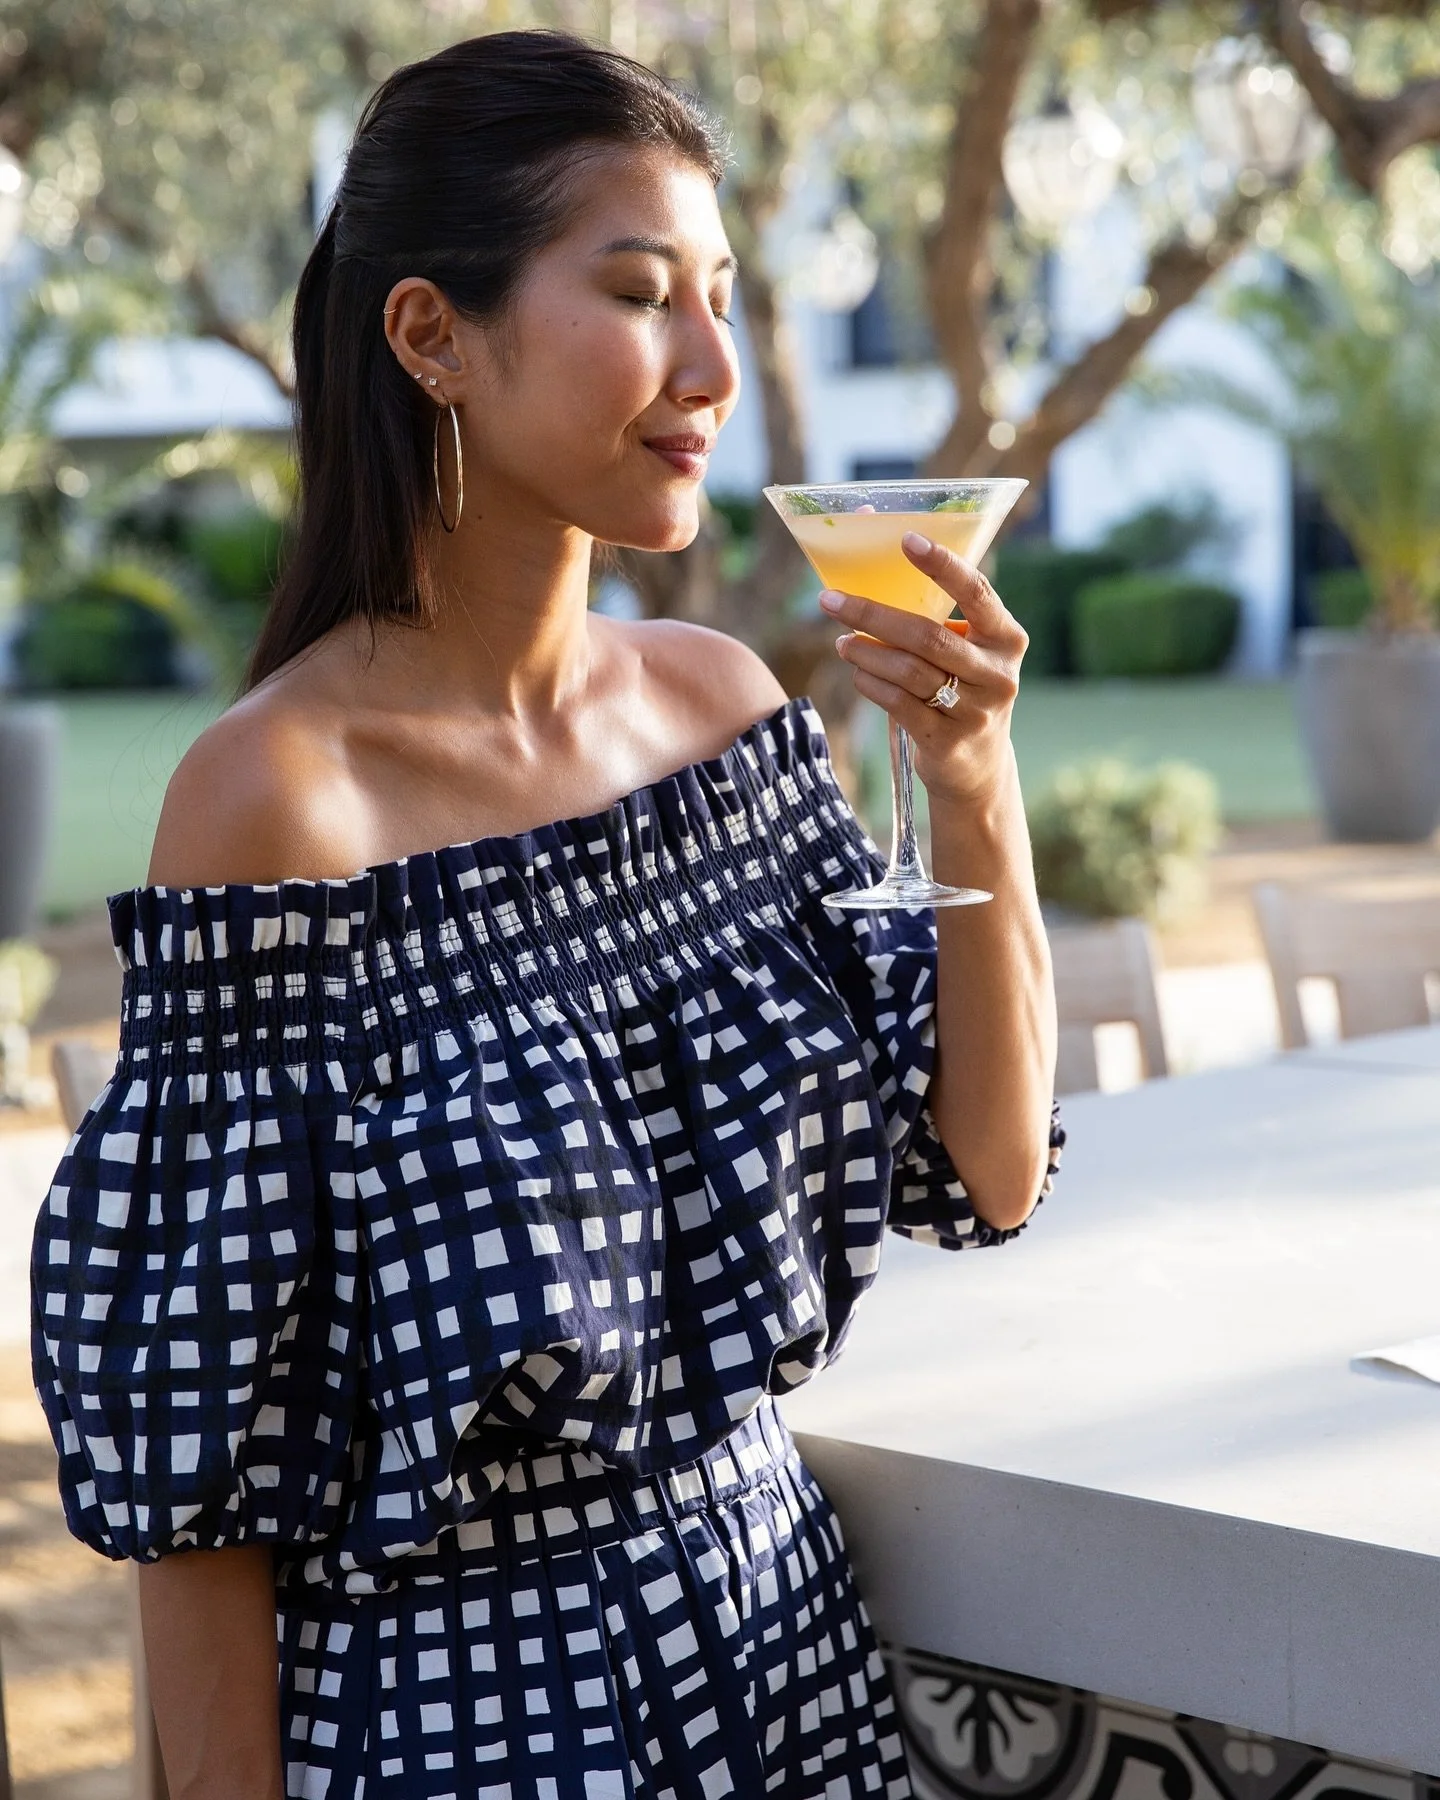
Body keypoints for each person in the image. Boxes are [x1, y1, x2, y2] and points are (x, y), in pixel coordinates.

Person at [31, 31, 1059, 1800]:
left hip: (786, 1661)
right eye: (644, 293)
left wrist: (973, 785)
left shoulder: (727, 712)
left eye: (723, 296)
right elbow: (200, 1477)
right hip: (459, 1734)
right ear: (430, 334)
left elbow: (984, 1171)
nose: (716, 367)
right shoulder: (278, 801)